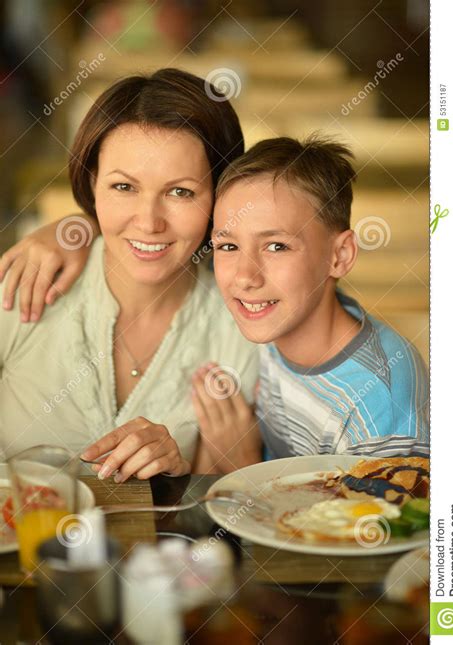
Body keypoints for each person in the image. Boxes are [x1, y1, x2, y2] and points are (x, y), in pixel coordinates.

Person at [0, 68, 260, 480]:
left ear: (221, 194)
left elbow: (220, 517)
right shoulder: (27, 279)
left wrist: (179, 478)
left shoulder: (243, 329)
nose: (149, 222)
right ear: (92, 183)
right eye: (124, 187)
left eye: (181, 192)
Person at [204, 135, 429, 458]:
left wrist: (241, 465)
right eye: (228, 246)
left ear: (339, 256)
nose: (245, 277)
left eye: (277, 246)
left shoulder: (378, 406)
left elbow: (367, 510)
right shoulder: (277, 315)